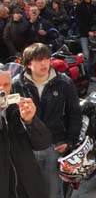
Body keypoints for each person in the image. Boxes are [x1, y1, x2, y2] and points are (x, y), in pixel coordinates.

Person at [11, 43, 83, 198]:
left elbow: (75, 114)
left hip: (54, 145)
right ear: (28, 63)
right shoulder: (17, 84)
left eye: (46, 59)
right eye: (38, 60)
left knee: (53, 191)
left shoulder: (63, 82)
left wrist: (70, 142)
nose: (44, 63)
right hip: (27, 148)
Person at [0, 64, 52, 198]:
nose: (2, 90)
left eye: (6, 85)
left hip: (31, 189)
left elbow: (43, 143)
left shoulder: (17, 109)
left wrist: (31, 121)